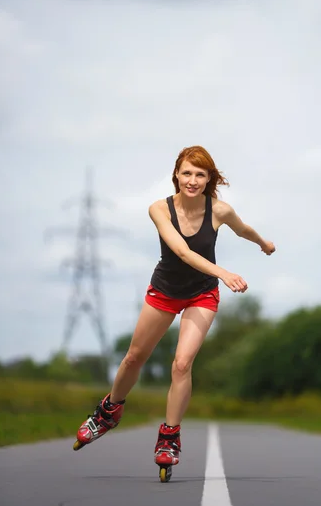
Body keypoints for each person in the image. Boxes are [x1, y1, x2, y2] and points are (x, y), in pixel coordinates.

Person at [74, 145, 275, 473]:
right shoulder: (159, 209)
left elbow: (243, 229)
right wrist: (223, 272)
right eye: (187, 173)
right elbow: (181, 251)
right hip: (165, 292)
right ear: (176, 176)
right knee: (134, 357)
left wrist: (263, 243)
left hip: (202, 295)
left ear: (209, 178)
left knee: (182, 364)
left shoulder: (219, 210)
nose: (193, 180)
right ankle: (109, 411)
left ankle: (169, 437)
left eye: (200, 174)